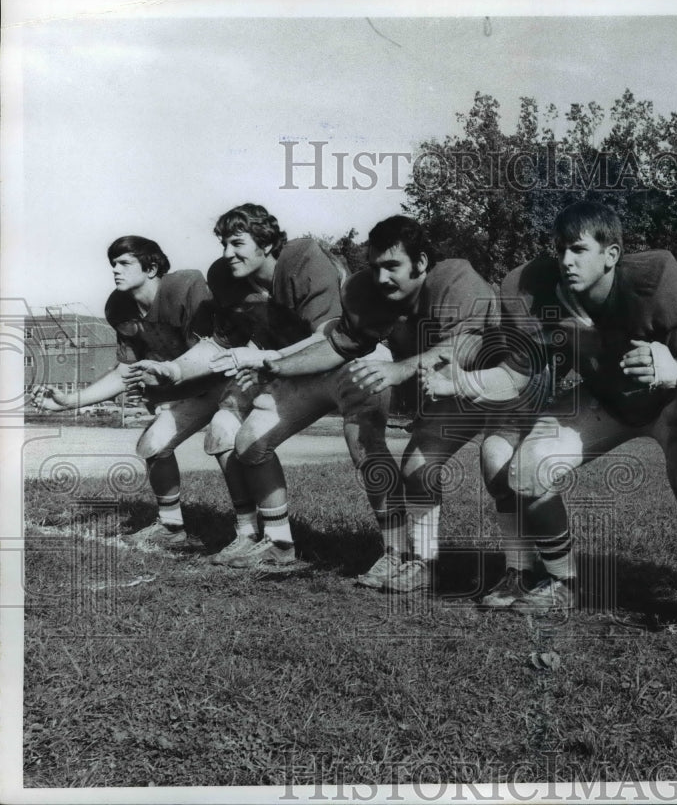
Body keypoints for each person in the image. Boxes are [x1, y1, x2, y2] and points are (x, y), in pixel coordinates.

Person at [423, 201, 677, 636]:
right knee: (529, 468)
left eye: (577, 249)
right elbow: (518, 375)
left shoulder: (657, 280)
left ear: (611, 255)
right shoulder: (533, 289)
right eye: (559, 249)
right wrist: (462, 382)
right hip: (604, 399)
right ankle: (561, 581)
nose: (565, 260)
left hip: (668, 399)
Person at [134, 204, 398, 570]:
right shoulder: (226, 280)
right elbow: (222, 343)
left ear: (267, 242)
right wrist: (173, 371)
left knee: (365, 446)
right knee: (245, 440)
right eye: (224, 244)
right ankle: (277, 544)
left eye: (237, 243)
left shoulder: (304, 258)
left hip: (349, 362)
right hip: (290, 369)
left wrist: (264, 358)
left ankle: (401, 552)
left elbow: (330, 336)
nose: (227, 254)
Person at [263, 215, 510, 593]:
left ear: (422, 262)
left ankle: (529, 569)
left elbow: (464, 345)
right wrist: (278, 364)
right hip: (449, 389)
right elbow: (336, 345)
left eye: (393, 266)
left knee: (506, 472)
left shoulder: (453, 279)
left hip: (502, 382)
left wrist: (399, 369)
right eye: (376, 267)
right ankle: (421, 562)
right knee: (416, 465)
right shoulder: (368, 292)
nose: (381, 278)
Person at [31, 235, 240, 548]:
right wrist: (67, 402)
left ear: (152, 267)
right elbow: (124, 372)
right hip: (187, 387)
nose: (115, 269)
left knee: (224, 440)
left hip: (228, 377)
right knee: (153, 444)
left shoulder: (186, 286)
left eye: (124, 262)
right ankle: (171, 527)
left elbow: (219, 347)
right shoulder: (119, 307)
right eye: (113, 263)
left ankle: (250, 530)